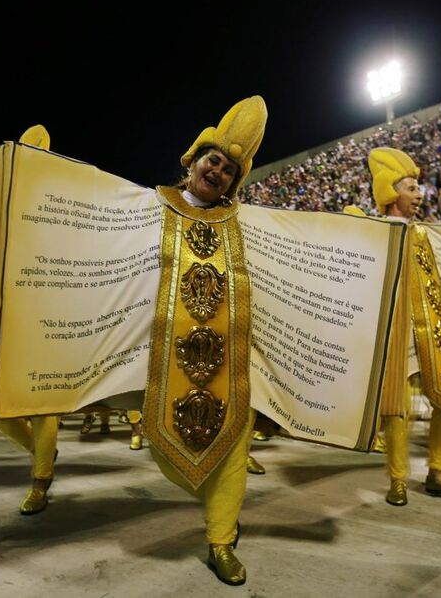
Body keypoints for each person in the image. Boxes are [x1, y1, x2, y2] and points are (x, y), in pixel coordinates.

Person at [142, 96, 266, 585]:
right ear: (191, 162)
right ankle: (217, 511)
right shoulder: (151, 207)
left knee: (234, 443)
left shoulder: (247, 225)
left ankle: (220, 539)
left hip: (231, 359)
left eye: (230, 169)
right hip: (159, 356)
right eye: (212, 160)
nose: (218, 171)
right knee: (166, 443)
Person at [347, 147, 441, 506]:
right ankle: (398, 479)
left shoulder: (423, 234)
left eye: (418, 189)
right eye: (411, 188)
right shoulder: (375, 233)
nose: (419, 196)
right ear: (391, 193)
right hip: (393, 330)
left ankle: (438, 472)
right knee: (395, 405)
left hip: (427, 327)